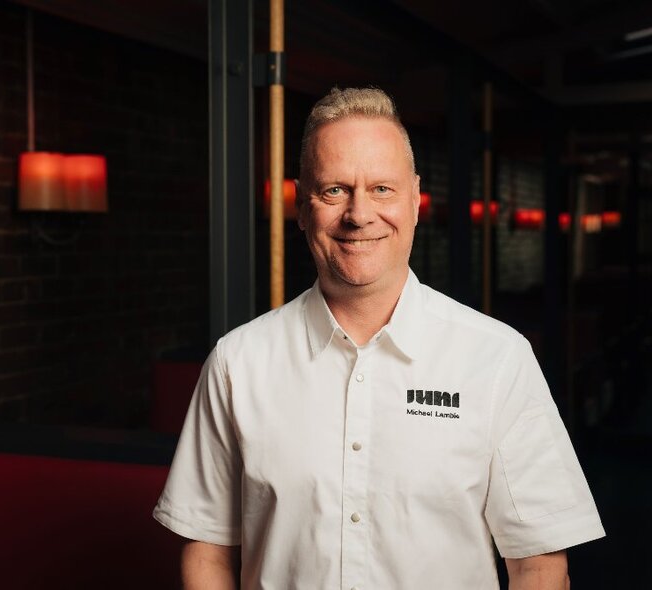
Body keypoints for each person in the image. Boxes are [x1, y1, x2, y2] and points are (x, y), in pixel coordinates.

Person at [153, 87, 604, 589]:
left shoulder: (497, 357)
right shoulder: (238, 362)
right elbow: (208, 552)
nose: (359, 214)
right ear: (301, 206)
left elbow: (539, 565)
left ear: (415, 200)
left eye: (382, 189)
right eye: (334, 190)